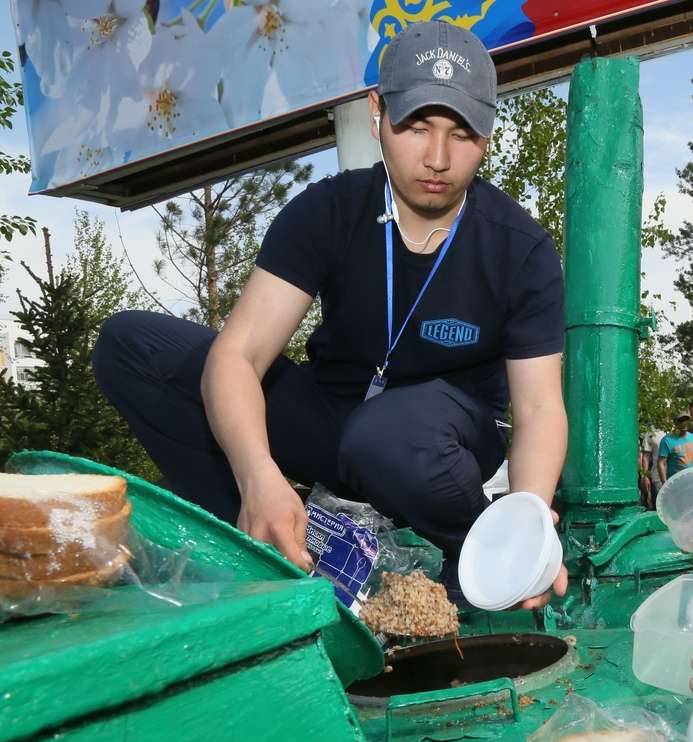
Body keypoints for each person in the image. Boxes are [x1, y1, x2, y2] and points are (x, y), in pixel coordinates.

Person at [92, 21, 568, 607]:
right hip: (336, 420)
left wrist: (529, 523)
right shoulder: (328, 210)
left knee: (390, 434)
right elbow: (240, 354)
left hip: (441, 447)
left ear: (488, 137)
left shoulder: (520, 248)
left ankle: (471, 548)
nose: (438, 158)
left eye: (462, 133)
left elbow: (541, 406)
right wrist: (257, 474)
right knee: (131, 345)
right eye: (417, 126)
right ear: (377, 113)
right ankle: (263, 539)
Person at [657, 414, 693, 486]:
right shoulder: (667, 440)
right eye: (681, 421)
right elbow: (661, 463)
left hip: (691, 480)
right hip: (675, 482)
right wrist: (664, 483)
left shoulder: (692, 437)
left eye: (686, 421)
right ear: (676, 423)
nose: (684, 423)